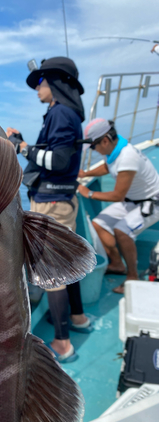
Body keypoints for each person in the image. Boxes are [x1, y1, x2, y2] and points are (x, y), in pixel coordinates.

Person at [7, 57, 93, 364]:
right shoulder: (67, 114)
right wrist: (24, 145)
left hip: (51, 203)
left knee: (52, 272)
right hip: (62, 200)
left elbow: (56, 162)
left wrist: (20, 147)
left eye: (41, 83)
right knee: (66, 265)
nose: (38, 89)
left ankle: (62, 342)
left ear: (55, 83)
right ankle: (79, 318)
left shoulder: (60, 113)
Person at [78, 118, 159, 294]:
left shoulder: (127, 156)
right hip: (133, 201)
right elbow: (108, 167)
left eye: (93, 147)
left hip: (151, 203)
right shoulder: (116, 151)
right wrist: (86, 173)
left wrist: (89, 193)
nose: (94, 150)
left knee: (123, 231)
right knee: (99, 224)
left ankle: (132, 277)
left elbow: (117, 195)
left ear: (105, 140)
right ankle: (117, 264)